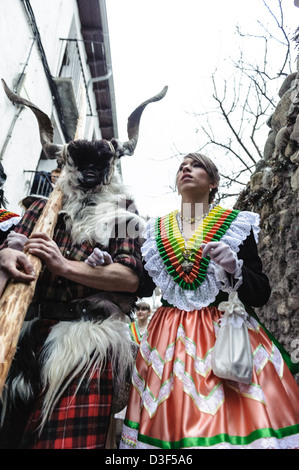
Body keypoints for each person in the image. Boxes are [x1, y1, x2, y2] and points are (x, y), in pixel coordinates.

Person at [120, 152, 299, 450]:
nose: (186, 169)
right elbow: (144, 285)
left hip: (227, 337)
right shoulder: (155, 231)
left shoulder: (235, 224)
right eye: (181, 166)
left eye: (196, 165)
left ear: (213, 182)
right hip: (168, 343)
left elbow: (261, 292)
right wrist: (114, 265)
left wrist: (235, 269)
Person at [0, 141, 151, 450]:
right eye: (82, 163)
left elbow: (129, 277)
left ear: (110, 170)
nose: (90, 170)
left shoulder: (124, 212)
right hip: (23, 339)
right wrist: (4, 255)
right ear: (69, 166)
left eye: (99, 164)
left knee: (64, 443)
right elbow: (13, 258)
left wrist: (63, 265)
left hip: (86, 345)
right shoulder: (40, 209)